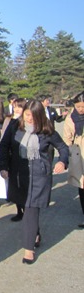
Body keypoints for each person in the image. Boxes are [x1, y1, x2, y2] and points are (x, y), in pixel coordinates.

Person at [0, 99, 69, 264]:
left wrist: (62, 161)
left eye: (32, 115)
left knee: (31, 210)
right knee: (26, 206)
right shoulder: (15, 125)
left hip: (39, 176)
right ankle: (35, 233)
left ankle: (28, 249)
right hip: (19, 175)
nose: (29, 119)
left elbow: (63, 148)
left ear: (39, 115)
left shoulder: (46, 130)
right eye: (26, 114)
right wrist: (3, 166)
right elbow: (4, 146)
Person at [62, 91, 84, 228]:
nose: (81, 109)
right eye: (78, 107)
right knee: (82, 186)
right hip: (78, 154)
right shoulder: (70, 118)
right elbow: (66, 138)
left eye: (83, 106)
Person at [4, 98, 27, 221]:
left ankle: (27, 212)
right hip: (14, 160)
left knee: (24, 189)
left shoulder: (29, 122)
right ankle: (19, 211)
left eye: (19, 106)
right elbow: (4, 143)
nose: (16, 109)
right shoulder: (11, 122)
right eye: (15, 106)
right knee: (15, 188)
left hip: (27, 161)